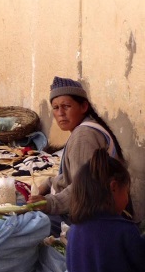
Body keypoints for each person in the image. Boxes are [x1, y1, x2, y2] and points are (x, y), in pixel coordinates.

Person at [28, 77, 126, 221]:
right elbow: (78, 174)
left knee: (25, 222)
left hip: (92, 214)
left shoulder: (83, 136)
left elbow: (84, 187)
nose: (60, 113)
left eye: (66, 106)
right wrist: (49, 183)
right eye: (55, 108)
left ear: (84, 107)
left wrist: (50, 203)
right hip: (89, 206)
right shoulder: (86, 129)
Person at [66, 148, 145, 272]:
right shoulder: (124, 232)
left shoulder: (74, 232)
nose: (127, 198)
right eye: (127, 191)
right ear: (114, 187)